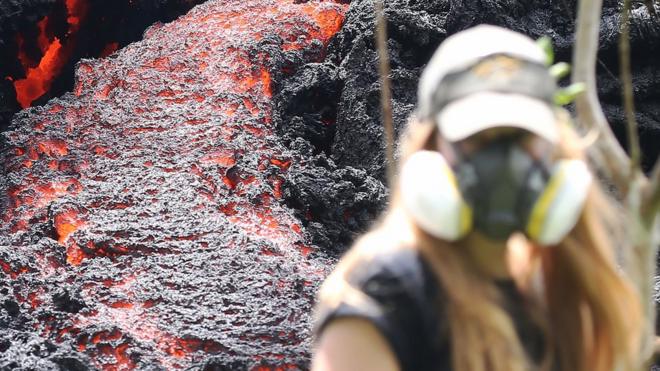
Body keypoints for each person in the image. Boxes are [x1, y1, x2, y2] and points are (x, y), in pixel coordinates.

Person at [311, 25, 642, 371]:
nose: (504, 162)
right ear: (432, 147)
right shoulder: (380, 301)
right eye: (478, 137)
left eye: (521, 136)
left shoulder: (562, 300)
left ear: (555, 147)